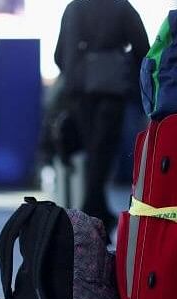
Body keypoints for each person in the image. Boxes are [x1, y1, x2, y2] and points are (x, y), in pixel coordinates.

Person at [54, 0, 149, 235]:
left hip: (79, 93)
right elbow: (143, 49)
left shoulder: (74, 8)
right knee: (102, 156)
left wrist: (76, 72)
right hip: (111, 91)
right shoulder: (121, 7)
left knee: (93, 155)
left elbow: (58, 55)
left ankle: (97, 212)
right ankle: (89, 216)